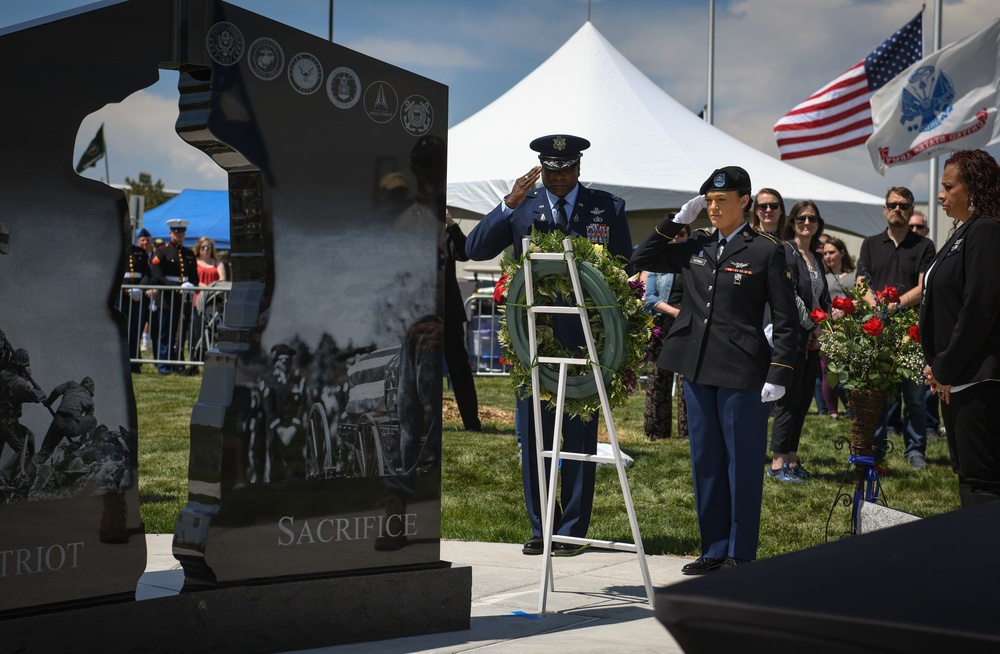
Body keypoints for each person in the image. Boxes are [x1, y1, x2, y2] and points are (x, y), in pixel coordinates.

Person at [466, 134, 632, 556]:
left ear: (579, 169)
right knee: (535, 437)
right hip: (531, 341)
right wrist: (508, 202)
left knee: (577, 439)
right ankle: (542, 528)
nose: (559, 178)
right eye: (551, 170)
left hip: (584, 342)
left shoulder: (606, 208)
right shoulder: (524, 205)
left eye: (566, 170)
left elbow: (623, 267)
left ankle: (572, 530)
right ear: (542, 169)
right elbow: (474, 247)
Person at [632, 166, 797, 573]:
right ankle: (713, 548)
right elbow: (639, 259)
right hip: (696, 364)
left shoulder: (765, 249)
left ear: (745, 202)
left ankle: (740, 553)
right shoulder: (695, 245)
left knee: (740, 464)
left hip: (742, 369)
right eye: (708, 202)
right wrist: (674, 223)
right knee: (705, 460)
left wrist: (779, 373)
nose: (713, 208)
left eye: (722, 201)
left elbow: (786, 316)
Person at [921, 149, 1000, 507]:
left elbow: (978, 309)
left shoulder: (985, 231)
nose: (940, 195)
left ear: (974, 189)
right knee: (967, 475)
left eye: (948, 186)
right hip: (958, 377)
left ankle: (983, 560)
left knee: (982, 482)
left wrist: (944, 368)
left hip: (978, 378)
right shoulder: (965, 232)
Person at [857, 187, 936, 468]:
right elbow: (861, 284)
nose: (897, 209)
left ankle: (915, 450)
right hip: (877, 330)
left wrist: (895, 305)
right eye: (892, 204)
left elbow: (923, 286)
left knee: (915, 395)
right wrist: (875, 304)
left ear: (911, 210)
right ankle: (876, 447)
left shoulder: (924, 246)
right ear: (885, 209)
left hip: (910, 330)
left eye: (903, 205)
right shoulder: (870, 244)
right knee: (876, 394)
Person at [766, 201, 831, 482]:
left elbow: (822, 298)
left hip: (814, 339)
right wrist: (812, 328)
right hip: (793, 338)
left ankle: (792, 460)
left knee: (804, 400)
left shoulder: (816, 258)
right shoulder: (785, 251)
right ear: (792, 222)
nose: (807, 223)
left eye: (813, 219)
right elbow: (788, 296)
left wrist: (825, 326)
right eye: (802, 218)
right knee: (788, 401)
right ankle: (778, 463)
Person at [642, 225, 689, 441]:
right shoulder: (657, 263)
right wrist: (673, 311)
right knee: (658, 376)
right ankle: (656, 431)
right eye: (673, 234)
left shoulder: (694, 262)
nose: (676, 238)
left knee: (687, 379)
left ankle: (688, 432)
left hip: (688, 322)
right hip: (663, 321)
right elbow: (648, 297)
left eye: (681, 234)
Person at [443, 210, 482, 432]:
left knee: (460, 368)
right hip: (419, 309)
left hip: (448, 308)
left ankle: (471, 422)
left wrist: (451, 224)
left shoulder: (445, 231)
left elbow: (465, 252)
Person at [149, 218, 199, 374]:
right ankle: (164, 366)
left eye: (182, 232)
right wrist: (177, 288)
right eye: (177, 232)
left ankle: (178, 363)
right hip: (166, 299)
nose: (180, 234)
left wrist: (191, 285)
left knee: (180, 334)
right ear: (171, 233)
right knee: (165, 333)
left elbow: (194, 276)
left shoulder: (189, 254)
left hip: (183, 299)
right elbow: (158, 276)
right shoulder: (162, 251)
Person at [821, 237, 857, 419]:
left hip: (853, 330)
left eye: (832, 252)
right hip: (829, 329)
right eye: (825, 253)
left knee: (852, 372)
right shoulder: (822, 276)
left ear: (842, 253)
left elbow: (864, 297)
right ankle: (832, 412)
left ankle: (853, 409)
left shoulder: (855, 274)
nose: (828, 256)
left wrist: (847, 308)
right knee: (829, 371)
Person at [0, 349, 46, 489]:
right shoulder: (19, 383)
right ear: (23, 366)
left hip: (4, 420)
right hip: (7, 422)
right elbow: (37, 396)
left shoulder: (2, 374)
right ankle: (5, 477)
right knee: (24, 450)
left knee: (29, 436)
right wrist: (38, 389)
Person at [37, 377, 97, 462]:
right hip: (71, 426)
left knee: (44, 452)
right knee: (93, 420)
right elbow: (88, 421)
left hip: (58, 420)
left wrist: (48, 403)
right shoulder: (90, 401)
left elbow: (57, 390)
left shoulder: (71, 384)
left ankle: (24, 470)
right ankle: (82, 444)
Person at [124, 229, 153, 373]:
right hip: (121, 298)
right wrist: (125, 289)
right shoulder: (116, 251)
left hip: (137, 298)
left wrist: (140, 288)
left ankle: (134, 363)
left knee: (135, 331)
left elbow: (147, 274)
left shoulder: (140, 253)